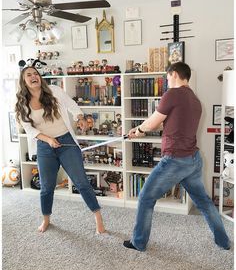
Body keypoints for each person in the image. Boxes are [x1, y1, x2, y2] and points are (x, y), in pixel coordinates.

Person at [123, 61, 230, 252]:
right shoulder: (195, 100)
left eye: (167, 75)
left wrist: (138, 129)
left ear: (174, 74)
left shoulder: (172, 94)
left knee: (146, 198)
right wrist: (140, 130)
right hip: (193, 159)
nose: (166, 79)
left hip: (175, 160)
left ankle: (138, 242)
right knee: (204, 202)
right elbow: (174, 124)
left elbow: (153, 123)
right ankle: (223, 241)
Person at [15, 65, 106, 235]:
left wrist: (80, 118)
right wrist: (48, 139)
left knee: (82, 183)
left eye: (36, 73)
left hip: (66, 142)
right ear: (24, 81)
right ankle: (46, 219)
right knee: (47, 187)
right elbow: (29, 129)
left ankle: (98, 219)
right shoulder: (22, 103)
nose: (34, 76)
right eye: (29, 75)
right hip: (44, 146)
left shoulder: (54, 90)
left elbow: (71, 105)